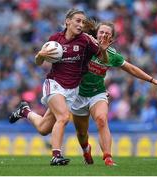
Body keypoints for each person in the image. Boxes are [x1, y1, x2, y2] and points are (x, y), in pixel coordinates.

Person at [9, 9, 109, 166]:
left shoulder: (86, 41)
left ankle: (25, 111)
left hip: (72, 91)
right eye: (77, 20)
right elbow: (39, 62)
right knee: (63, 117)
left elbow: (103, 59)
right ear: (67, 21)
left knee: (43, 129)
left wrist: (102, 50)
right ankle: (56, 155)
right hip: (54, 84)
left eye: (83, 22)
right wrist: (40, 55)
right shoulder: (55, 39)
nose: (81, 24)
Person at [70, 21, 157, 166]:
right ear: (96, 34)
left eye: (107, 33)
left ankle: (108, 157)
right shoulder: (84, 46)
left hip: (98, 93)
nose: (104, 35)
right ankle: (86, 149)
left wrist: (152, 80)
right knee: (82, 134)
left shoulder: (112, 55)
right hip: (78, 94)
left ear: (111, 38)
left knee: (102, 119)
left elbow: (131, 68)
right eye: (101, 32)